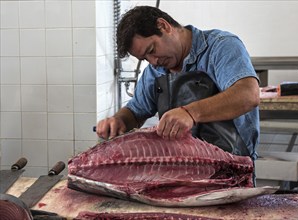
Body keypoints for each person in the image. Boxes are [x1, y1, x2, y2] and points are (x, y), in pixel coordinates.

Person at [97, 6, 260, 165]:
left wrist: (190, 113)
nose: (154, 61)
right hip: (180, 169)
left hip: (231, 168)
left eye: (152, 49)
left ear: (163, 26)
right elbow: (135, 111)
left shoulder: (221, 46)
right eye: (145, 58)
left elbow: (248, 95)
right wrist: (119, 121)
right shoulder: (155, 72)